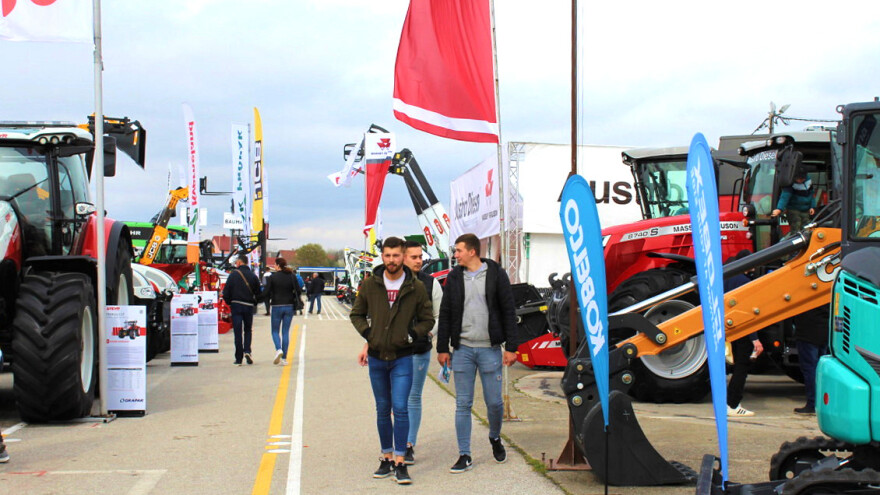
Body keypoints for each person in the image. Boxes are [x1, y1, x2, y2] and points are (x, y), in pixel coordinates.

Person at [351, 236, 434, 485]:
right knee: (382, 409)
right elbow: (357, 314)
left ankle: (400, 461)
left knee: (401, 407)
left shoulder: (415, 286)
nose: (391, 260)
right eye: (387, 255)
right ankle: (386, 456)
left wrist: (411, 334)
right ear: (383, 257)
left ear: (402, 257)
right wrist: (369, 335)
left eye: (396, 256)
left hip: (402, 358)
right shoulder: (371, 285)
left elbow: (428, 319)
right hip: (377, 358)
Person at [437, 233, 519, 473]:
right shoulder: (453, 277)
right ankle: (464, 454)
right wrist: (443, 348)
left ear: (472, 251)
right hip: (462, 349)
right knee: (463, 403)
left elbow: (508, 310)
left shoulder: (496, 274)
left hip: (490, 349)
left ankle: (494, 437)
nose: (455, 255)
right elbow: (446, 313)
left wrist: (512, 347)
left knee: (494, 403)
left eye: (458, 250)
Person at [724, 251, 763, 417]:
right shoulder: (744, 282)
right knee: (742, 367)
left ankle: (726, 403)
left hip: (728, 327)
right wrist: (755, 338)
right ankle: (733, 404)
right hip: (743, 329)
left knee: (732, 367)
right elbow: (747, 311)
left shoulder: (726, 277)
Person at [222, 254, 262, 366]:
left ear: (239, 263)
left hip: (236, 305)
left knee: (238, 331)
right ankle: (247, 351)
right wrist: (254, 303)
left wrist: (230, 302)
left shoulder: (233, 275)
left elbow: (226, 293)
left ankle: (238, 357)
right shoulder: (253, 276)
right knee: (248, 330)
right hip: (248, 306)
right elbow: (258, 293)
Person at [792, 305, 830, 414]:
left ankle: (812, 403)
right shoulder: (826, 291)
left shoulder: (807, 290)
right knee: (820, 369)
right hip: (823, 330)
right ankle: (821, 403)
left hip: (807, 332)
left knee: (809, 369)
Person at [264, 257, 301, 366]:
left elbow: (266, 291)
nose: (274, 267)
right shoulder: (291, 276)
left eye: (275, 265)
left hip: (276, 305)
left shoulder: (272, 277)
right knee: (285, 332)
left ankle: (278, 349)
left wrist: (256, 298)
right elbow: (298, 290)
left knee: (275, 331)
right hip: (289, 306)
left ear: (278, 266)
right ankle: (284, 358)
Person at [772, 167, 816, 234]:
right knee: (796, 223)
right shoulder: (790, 184)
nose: (800, 181)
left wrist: (812, 206)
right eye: (799, 179)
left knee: (807, 225)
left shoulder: (808, 182)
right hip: (793, 208)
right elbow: (784, 197)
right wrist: (779, 209)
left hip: (805, 209)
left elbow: (811, 195)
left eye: (802, 179)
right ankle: (796, 239)